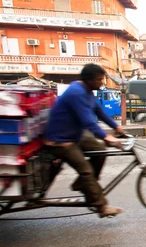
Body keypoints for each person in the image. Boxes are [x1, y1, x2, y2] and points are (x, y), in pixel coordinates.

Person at [43, 63, 125, 218]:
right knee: (86, 170)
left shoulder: (86, 91)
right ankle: (101, 206)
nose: (102, 82)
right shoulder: (77, 93)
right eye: (99, 80)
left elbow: (98, 111)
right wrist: (107, 137)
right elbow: (88, 121)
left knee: (100, 150)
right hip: (60, 140)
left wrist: (117, 127)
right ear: (88, 80)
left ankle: (81, 183)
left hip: (75, 134)